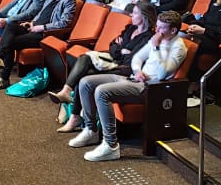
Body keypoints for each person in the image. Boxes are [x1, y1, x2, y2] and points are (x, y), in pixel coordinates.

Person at [67, 10, 188, 162]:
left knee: (101, 92)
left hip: (151, 88)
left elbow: (163, 74)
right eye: (157, 26)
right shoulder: (156, 38)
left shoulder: (179, 47)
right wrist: (137, 70)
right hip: (134, 78)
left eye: (162, 28)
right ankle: (91, 129)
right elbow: (137, 58)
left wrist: (156, 48)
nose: (157, 31)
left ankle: (110, 145)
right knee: (86, 82)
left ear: (173, 30)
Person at [50, 0, 157, 131]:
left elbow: (132, 60)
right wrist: (121, 50)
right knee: (84, 57)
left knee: (86, 76)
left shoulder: (148, 38)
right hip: (113, 61)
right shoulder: (130, 28)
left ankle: (75, 117)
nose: (131, 15)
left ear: (144, 16)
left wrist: (120, 49)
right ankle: (66, 92)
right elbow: (112, 45)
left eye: (135, 13)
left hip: (125, 70)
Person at [0, 0, 78, 90]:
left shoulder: (69, 1)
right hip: (33, 27)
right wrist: (32, 23)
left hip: (44, 34)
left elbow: (63, 23)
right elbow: (41, 14)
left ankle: (3, 77)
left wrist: (41, 27)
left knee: (10, 42)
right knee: (11, 25)